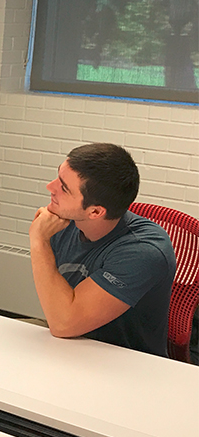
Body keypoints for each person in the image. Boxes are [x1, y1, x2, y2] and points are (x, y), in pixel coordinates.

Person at [29, 143, 176, 357]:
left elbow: (63, 323)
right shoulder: (62, 223)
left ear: (95, 212)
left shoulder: (144, 251)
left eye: (63, 187)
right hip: (71, 347)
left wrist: (39, 241)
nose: (50, 187)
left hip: (123, 362)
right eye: (57, 177)